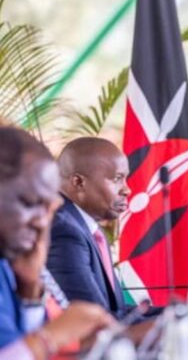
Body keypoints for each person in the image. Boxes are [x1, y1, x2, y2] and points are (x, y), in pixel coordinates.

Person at [0, 126, 113, 359]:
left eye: (47, 208)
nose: (42, 223)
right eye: (30, 203)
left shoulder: (10, 264)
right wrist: (51, 337)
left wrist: (29, 291)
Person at [47, 137, 132, 319]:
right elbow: (93, 322)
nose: (127, 190)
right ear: (78, 182)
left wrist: (178, 312)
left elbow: (118, 311)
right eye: (117, 179)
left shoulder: (88, 228)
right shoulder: (64, 231)